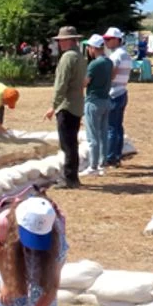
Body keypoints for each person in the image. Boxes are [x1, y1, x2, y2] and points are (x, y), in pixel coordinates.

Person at [0, 196, 68, 306]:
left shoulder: (57, 241)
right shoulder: (4, 222)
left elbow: (51, 287)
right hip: (13, 273)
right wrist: (6, 281)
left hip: (41, 281)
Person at [45, 26, 86, 188]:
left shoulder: (67, 58)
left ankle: (70, 178)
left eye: (61, 40)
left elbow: (61, 84)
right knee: (72, 142)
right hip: (77, 103)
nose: (60, 43)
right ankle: (72, 176)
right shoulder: (80, 56)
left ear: (69, 40)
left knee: (67, 144)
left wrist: (53, 106)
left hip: (67, 105)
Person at [82, 35, 113, 177]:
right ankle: (102, 163)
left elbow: (85, 82)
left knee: (92, 135)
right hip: (106, 100)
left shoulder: (94, 64)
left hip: (93, 101)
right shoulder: (109, 62)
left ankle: (93, 166)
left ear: (93, 48)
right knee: (103, 133)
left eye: (89, 47)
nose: (88, 50)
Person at [103, 27, 131, 167]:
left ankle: (110, 157)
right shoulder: (126, 54)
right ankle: (117, 155)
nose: (106, 42)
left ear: (116, 40)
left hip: (113, 93)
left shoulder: (115, 56)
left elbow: (111, 74)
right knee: (118, 126)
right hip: (122, 92)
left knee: (111, 127)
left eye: (108, 39)